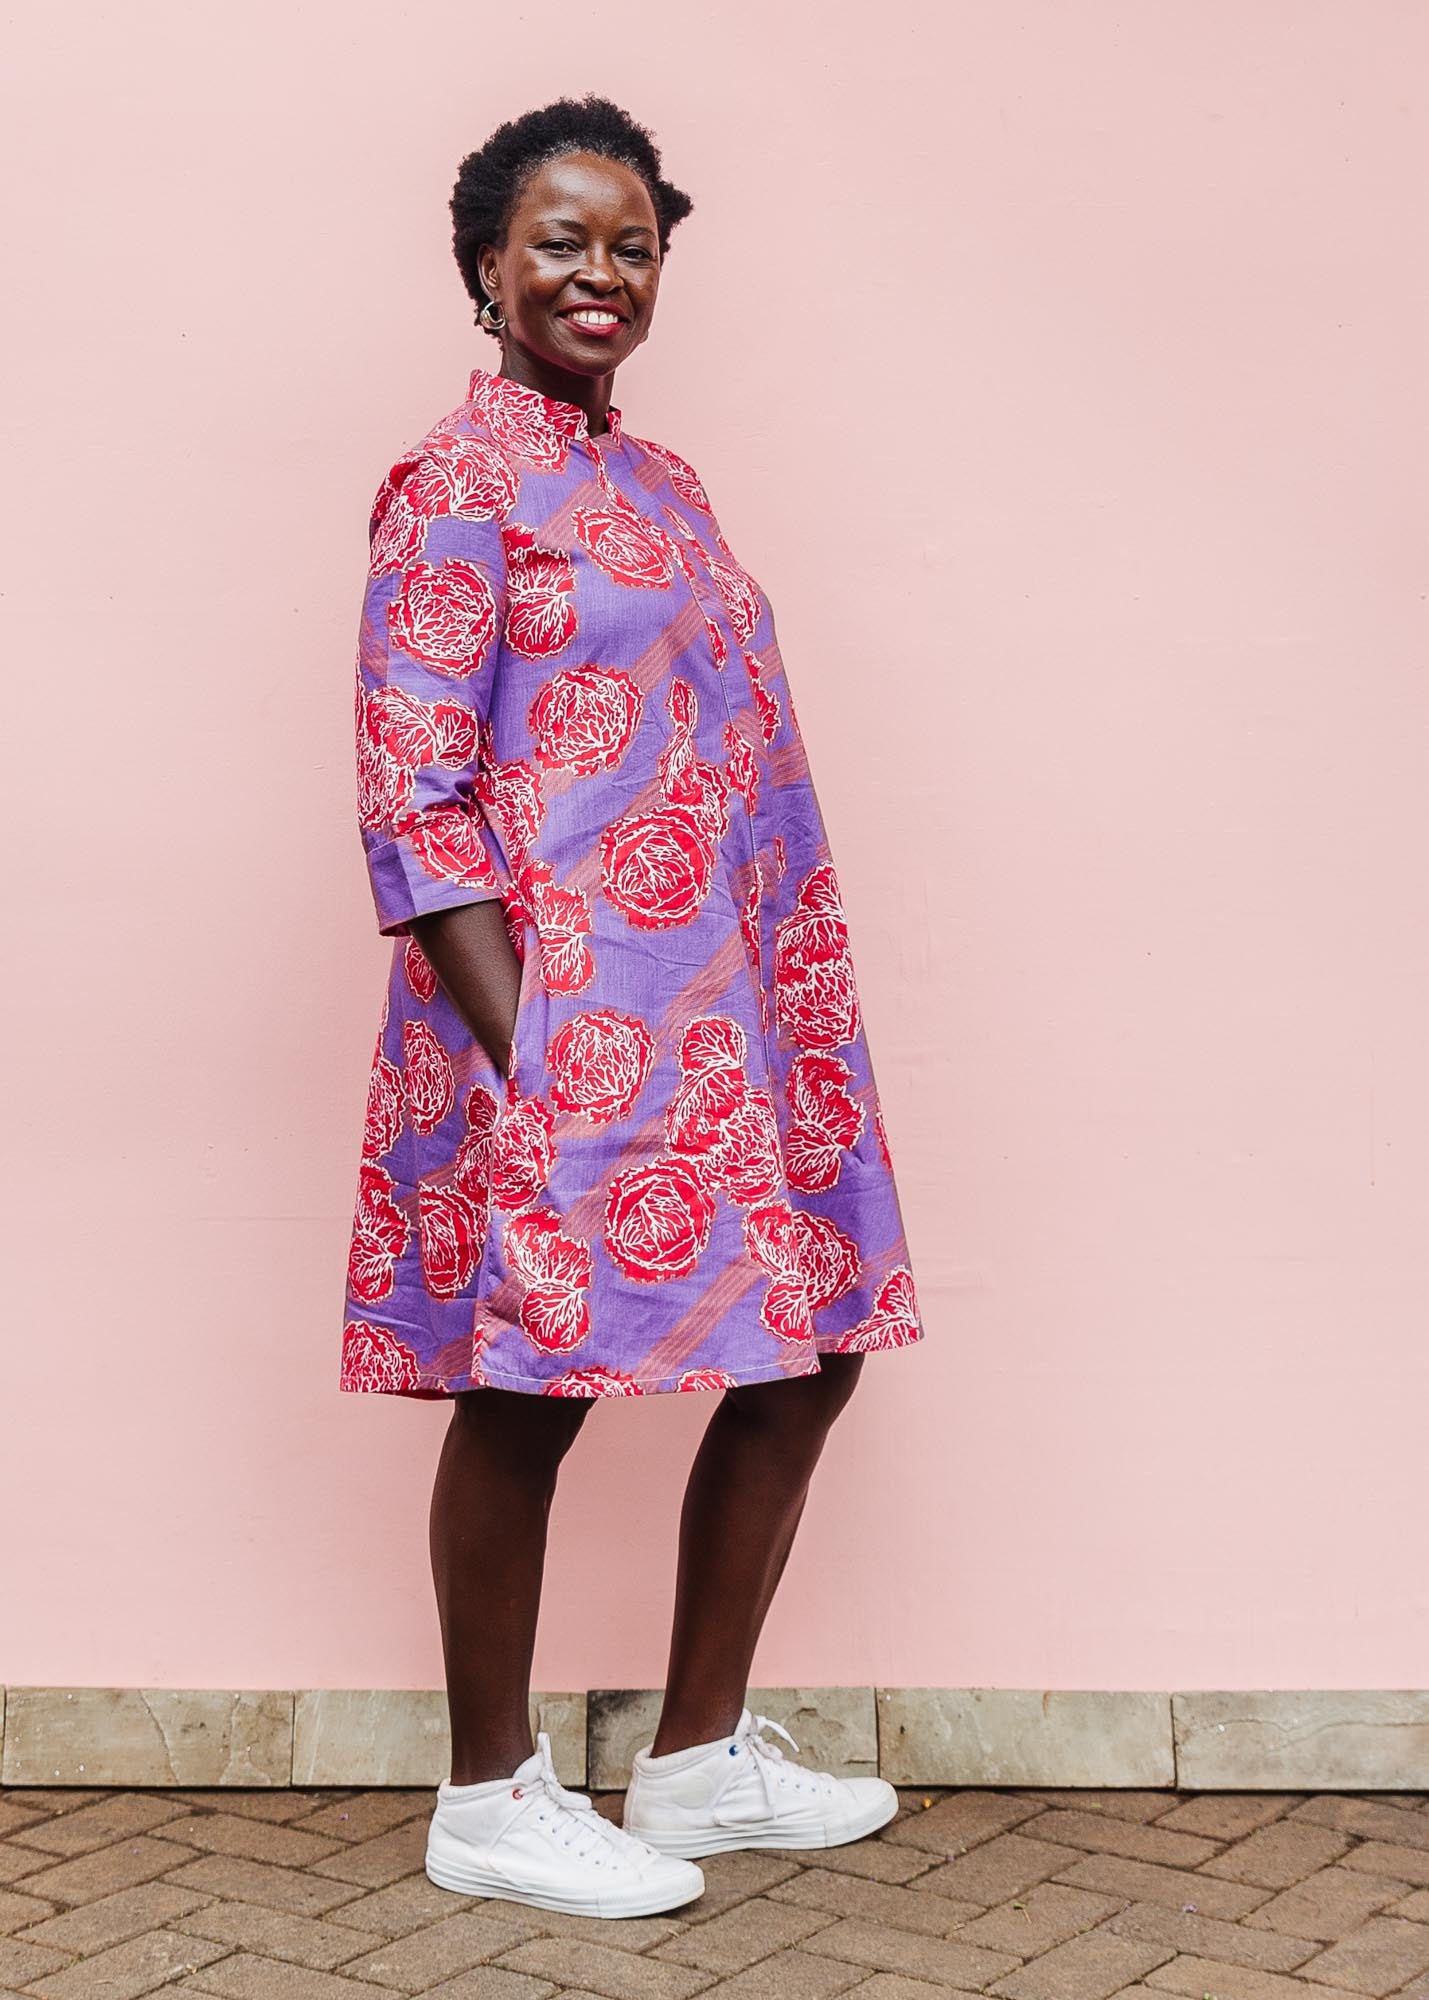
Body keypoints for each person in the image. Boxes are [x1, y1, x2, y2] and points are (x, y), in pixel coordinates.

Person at [340, 92, 926, 1919]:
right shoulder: (453, 484)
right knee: (529, 1386)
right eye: (562, 241)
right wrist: (537, 1052)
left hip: (741, 1008)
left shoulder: (662, 484)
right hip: (557, 1017)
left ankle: (691, 1763)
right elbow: (413, 794)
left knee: (809, 1342)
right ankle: (487, 1792)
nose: (600, 273)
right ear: (484, 265)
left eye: (632, 246)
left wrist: (774, 993)